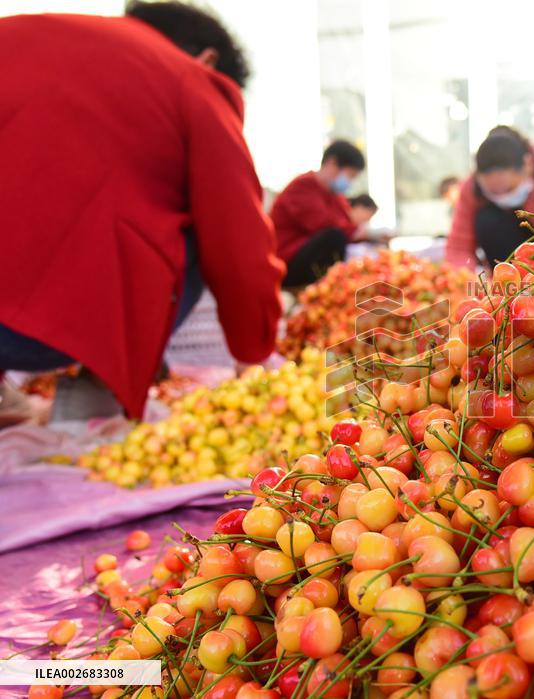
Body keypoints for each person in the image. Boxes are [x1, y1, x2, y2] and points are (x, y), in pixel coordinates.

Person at [0, 1, 284, 422]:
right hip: (34, 328)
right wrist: (253, 356)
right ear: (208, 60)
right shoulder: (190, 79)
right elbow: (238, 239)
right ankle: (97, 390)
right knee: (188, 226)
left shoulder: (23, 34)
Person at [445, 126, 534, 269]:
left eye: (508, 189)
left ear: (528, 164)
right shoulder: (471, 187)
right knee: (487, 220)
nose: (502, 197)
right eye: (493, 192)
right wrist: (463, 279)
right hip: (506, 255)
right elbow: (458, 248)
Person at [271, 140, 368, 288]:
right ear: (332, 163)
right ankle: (324, 289)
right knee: (333, 237)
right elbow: (324, 224)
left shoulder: (335, 196)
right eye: (350, 175)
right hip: (285, 264)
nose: (350, 182)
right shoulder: (302, 187)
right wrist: (359, 232)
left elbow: (348, 223)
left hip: (305, 260)